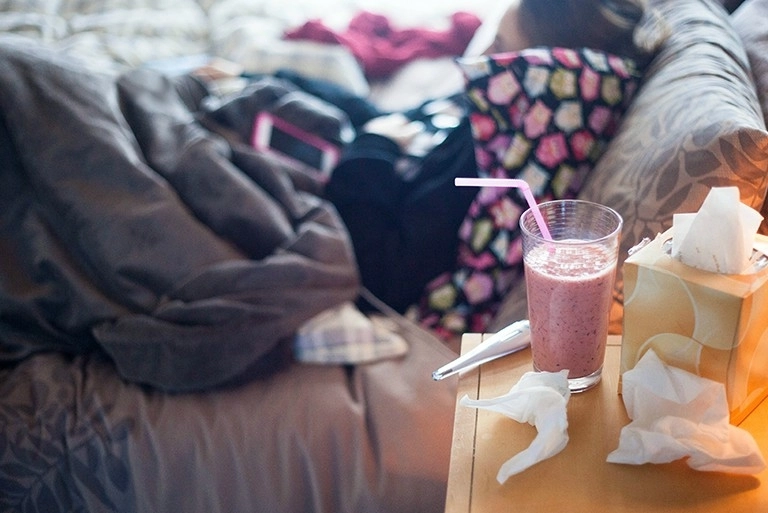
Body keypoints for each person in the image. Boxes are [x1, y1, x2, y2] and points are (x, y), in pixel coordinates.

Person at [324, 0, 664, 346]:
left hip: (349, 185)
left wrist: (372, 147)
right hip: (388, 137)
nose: (480, 56)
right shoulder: (494, 116)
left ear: (539, 72)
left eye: (499, 46)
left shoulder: (488, 162)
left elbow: (380, 274)